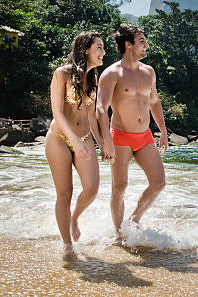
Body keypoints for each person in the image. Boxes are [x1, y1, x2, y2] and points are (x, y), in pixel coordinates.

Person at [96, 24, 168, 238]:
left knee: (159, 183)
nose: (146, 45)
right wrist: (105, 139)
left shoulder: (149, 72)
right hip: (120, 136)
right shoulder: (112, 73)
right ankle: (119, 235)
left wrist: (162, 131)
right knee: (119, 187)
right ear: (128, 44)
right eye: (142, 41)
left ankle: (133, 220)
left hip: (144, 135)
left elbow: (154, 102)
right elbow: (101, 108)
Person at [45, 31, 106, 259]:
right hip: (59, 138)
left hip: (84, 138)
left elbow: (91, 116)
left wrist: (101, 145)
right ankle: (68, 245)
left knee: (92, 188)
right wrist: (73, 141)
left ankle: (74, 218)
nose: (103, 52)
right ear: (86, 49)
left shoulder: (94, 78)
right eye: (99, 47)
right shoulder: (62, 74)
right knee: (65, 193)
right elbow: (57, 113)